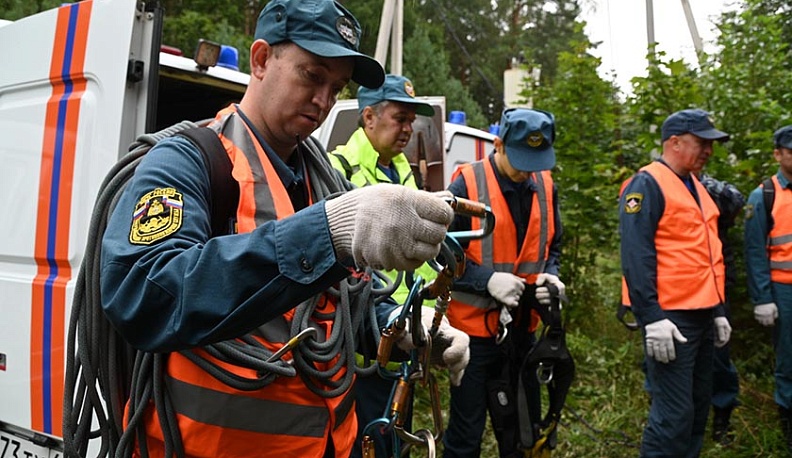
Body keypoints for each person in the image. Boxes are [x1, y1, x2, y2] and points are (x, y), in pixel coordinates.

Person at [98, 1, 471, 457]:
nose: (324, 100)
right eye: (312, 76)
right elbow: (142, 294)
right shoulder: (187, 163)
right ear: (260, 60)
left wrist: (399, 326)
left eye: (336, 87)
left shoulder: (325, 181)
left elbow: (349, 303)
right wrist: (325, 234)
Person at [328, 74, 442, 458]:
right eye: (400, 118)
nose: (408, 129)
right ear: (369, 117)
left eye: (412, 121)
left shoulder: (404, 173)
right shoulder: (338, 170)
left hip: (402, 342)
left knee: (395, 442)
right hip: (361, 356)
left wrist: (427, 320)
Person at [442, 108, 565, 458]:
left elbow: (553, 245)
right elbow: (442, 255)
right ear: (499, 145)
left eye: (536, 161)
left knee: (524, 430)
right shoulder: (467, 185)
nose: (528, 171)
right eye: (521, 160)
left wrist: (551, 273)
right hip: (473, 336)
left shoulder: (546, 185)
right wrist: (486, 280)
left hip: (523, 331)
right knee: (466, 434)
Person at [619, 108, 732, 457]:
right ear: (675, 143)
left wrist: (718, 310)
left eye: (711, 144)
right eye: (702, 143)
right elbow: (636, 256)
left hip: (702, 314)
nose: (709, 151)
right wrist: (652, 317)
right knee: (674, 415)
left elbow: (706, 255)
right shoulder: (647, 184)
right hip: (671, 319)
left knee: (697, 406)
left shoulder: (696, 186)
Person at [744, 124, 792, 453]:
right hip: (784, 292)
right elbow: (754, 251)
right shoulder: (764, 195)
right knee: (788, 361)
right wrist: (762, 298)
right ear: (777, 154)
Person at [698, 172, 744, 445]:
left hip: (715, 284)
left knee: (718, 355)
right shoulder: (654, 185)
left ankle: (721, 420)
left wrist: (699, 188)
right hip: (671, 288)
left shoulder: (709, 188)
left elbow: (735, 200)